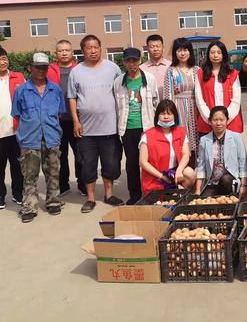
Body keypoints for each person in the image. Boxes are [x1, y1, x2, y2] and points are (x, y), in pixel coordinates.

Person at [68, 35, 123, 213]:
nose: (93, 51)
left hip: (110, 127)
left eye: (95, 47)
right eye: (88, 48)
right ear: (82, 50)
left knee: (111, 164)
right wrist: (76, 121)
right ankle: (90, 198)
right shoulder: (76, 71)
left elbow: (121, 92)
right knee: (87, 165)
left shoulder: (113, 68)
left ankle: (109, 195)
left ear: (100, 47)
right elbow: (72, 97)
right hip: (87, 130)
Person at [11, 53, 65, 223]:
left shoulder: (55, 89)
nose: (41, 70)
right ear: (30, 68)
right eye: (38, 67)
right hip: (29, 138)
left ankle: (53, 201)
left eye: (44, 67)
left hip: (51, 136)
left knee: (53, 172)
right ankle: (29, 206)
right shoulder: (21, 90)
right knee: (29, 175)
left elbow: (60, 113)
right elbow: (17, 114)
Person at [114, 47, 158, 205]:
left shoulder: (150, 79)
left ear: (140, 61)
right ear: (124, 62)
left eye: (135, 60)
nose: (132, 64)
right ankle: (135, 195)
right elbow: (116, 106)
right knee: (132, 163)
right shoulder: (119, 81)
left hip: (146, 128)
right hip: (127, 128)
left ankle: (151, 193)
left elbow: (155, 102)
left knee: (149, 162)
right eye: (128, 61)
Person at [47, 39, 86, 196]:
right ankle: (63, 185)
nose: (64, 53)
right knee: (59, 155)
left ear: (72, 52)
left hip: (77, 120)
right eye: (60, 50)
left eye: (67, 50)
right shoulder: (49, 70)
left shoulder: (80, 69)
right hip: (57, 121)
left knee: (80, 154)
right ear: (56, 53)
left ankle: (82, 185)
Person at [139, 99, 196, 193]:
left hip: (173, 174)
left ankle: (180, 191)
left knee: (189, 173)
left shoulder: (181, 131)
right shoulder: (147, 135)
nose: (166, 117)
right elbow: (143, 162)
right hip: (156, 178)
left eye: (169, 114)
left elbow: (186, 154)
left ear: (175, 116)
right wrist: (162, 176)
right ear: (157, 116)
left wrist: (179, 170)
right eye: (162, 114)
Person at [195, 106, 247, 197]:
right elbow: (201, 166)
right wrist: (197, 190)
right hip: (212, 182)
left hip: (229, 181)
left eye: (221, 120)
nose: (218, 123)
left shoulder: (236, 137)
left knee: (226, 180)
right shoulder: (204, 140)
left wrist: (244, 185)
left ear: (227, 121)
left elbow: (242, 162)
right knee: (207, 203)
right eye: (215, 120)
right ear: (210, 121)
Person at [195, 41, 243, 136]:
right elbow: (199, 99)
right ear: (208, 54)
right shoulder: (200, 74)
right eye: (212, 52)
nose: (215, 55)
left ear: (224, 55)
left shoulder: (232, 73)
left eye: (219, 52)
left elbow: (236, 100)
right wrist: (211, 120)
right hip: (207, 123)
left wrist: (224, 120)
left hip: (230, 122)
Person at [163, 38, 199, 162]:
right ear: (175, 53)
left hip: (195, 108)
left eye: (185, 50)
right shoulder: (171, 71)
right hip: (178, 108)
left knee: (196, 138)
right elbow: (168, 95)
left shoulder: (197, 70)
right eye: (179, 50)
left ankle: (197, 171)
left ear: (190, 52)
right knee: (181, 138)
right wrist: (169, 113)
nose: (182, 53)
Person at [0, 46, 25, 209]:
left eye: (4, 58)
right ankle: (0, 196)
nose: (2, 62)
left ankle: (18, 194)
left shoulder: (18, 77)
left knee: (17, 166)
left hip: (16, 130)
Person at [139, 34, 171, 100]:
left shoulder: (171, 66)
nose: (155, 49)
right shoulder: (141, 68)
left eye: (158, 46)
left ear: (163, 48)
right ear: (147, 49)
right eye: (152, 46)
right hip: (149, 106)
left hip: (168, 105)